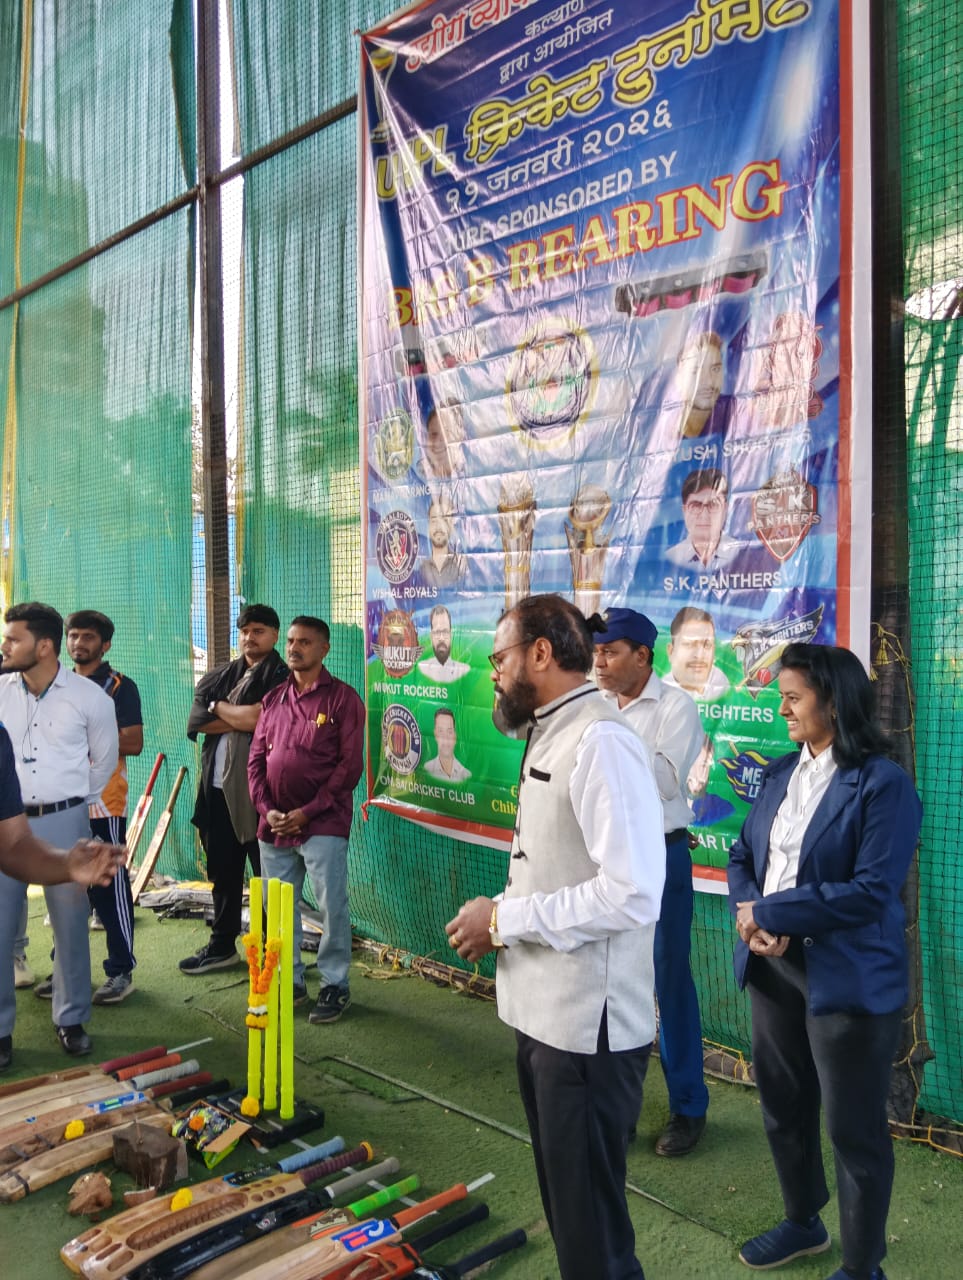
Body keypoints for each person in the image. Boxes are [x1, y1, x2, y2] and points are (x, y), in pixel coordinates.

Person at [446, 593, 665, 1280]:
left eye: (499, 658)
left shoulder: (600, 739)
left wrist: (503, 921)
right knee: (574, 1218)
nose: (493, 672)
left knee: (590, 1229)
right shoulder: (554, 726)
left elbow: (630, 891)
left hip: (585, 1036)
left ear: (539, 654)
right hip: (545, 1020)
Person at [727, 644, 922, 1280]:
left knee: (853, 1130)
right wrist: (750, 914)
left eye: (793, 697)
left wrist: (776, 916)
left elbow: (870, 891)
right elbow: (740, 857)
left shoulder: (883, 784)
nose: (780, 707)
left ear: (833, 702)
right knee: (783, 1103)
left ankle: (863, 1266)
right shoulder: (782, 771)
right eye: (780, 695)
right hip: (773, 969)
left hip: (848, 979)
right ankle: (803, 1223)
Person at [593, 607, 709, 1156]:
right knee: (610, 982)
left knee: (668, 980)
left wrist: (605, 735)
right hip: (603, 859)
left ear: (642, 655)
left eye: (610, 651)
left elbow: (661, 780)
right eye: (595, 650)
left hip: (660, 857)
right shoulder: (591, 705)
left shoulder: (675, 706)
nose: (598, 660)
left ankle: (689, 1107)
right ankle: (619, 1107)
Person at [0, 602, 118, 1058]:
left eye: (13, 639)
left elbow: (103, 763)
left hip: (65, 819)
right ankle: (1, 1031)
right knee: (1, 924)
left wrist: (71, 801)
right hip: (5, 823)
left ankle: (71, 1020)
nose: (5, 646)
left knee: (70, 923)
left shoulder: (92, 698)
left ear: (43, 646)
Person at [248, 616, 365, 1025]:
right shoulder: (274, 699)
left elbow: (348, 769)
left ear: (324, 650)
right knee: (277, 910)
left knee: (331, 906)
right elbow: (256, 761)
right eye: (293, 641)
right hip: (274, 827)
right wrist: (268, 811)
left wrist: (306, 813)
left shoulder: (344, 700)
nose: (295, 648)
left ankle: (335, 984)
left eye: (305, 642)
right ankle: (289, 981)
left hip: (323, 824)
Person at [0, 723, 125, 1071]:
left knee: (71, 926)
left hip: (58, 816)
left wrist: (67, 865)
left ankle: (70, 1020)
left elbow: (12, 845)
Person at [181, 604, 288, 975]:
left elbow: (263, 719)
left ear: (275, 635)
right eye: (244, 631)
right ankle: (222, 946)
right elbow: (197, 722)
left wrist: (220, 710)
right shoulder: (220, 676)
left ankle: (267, 954)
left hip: (263, 798)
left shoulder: (282, 677)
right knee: (223, 874)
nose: (249, 637)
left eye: (258, 630)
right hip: (217, 791)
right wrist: (237, 717)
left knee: (266, 877)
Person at [42, 610, 140, 1006]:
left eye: (87, 637)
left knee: (108, 887)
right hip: (59, 803)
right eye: (73, 635)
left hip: (102, 803)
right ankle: (65, 969)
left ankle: (121, 971)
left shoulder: (119, 687)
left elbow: (132, 742)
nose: (78, 643)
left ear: (106, 644)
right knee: (65, 889)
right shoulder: (54, 685)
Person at [666, 467, 740, 572]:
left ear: (725, 510)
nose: (704, 515)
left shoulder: (741, 553)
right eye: (695, 506)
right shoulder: (670, 558)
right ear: (684, 510)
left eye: (713, 504)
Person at [664, 606, 730, 700]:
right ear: (671, 652)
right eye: (689, 644)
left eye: (707, 645)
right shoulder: (662, 695)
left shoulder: (720, 681)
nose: (699, 655)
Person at [672, 332, 727, 438]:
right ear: (679, 379)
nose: (710, 382)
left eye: (715, 369)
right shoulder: (660, 432)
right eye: (696, 371)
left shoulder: (735, 415)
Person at [420, 495, 467, 590]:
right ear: (428, 526)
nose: (439, 527)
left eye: (445, 520)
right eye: (434, 521)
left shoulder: (461, 565)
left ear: (451, 525)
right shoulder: (422, 569)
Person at [418, 606, 470, 683]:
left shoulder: (465, 670)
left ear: (451, 635)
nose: (441, 638)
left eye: (445, 632)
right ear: (431, 636)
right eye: (437, 632)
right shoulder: (421, 668)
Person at [423, 708, 471, 782]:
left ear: (455, 736)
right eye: (441, 731)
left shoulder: (466, 775)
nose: (445, 738)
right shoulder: (426, 769)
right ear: (435, 734)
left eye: (449, 731)